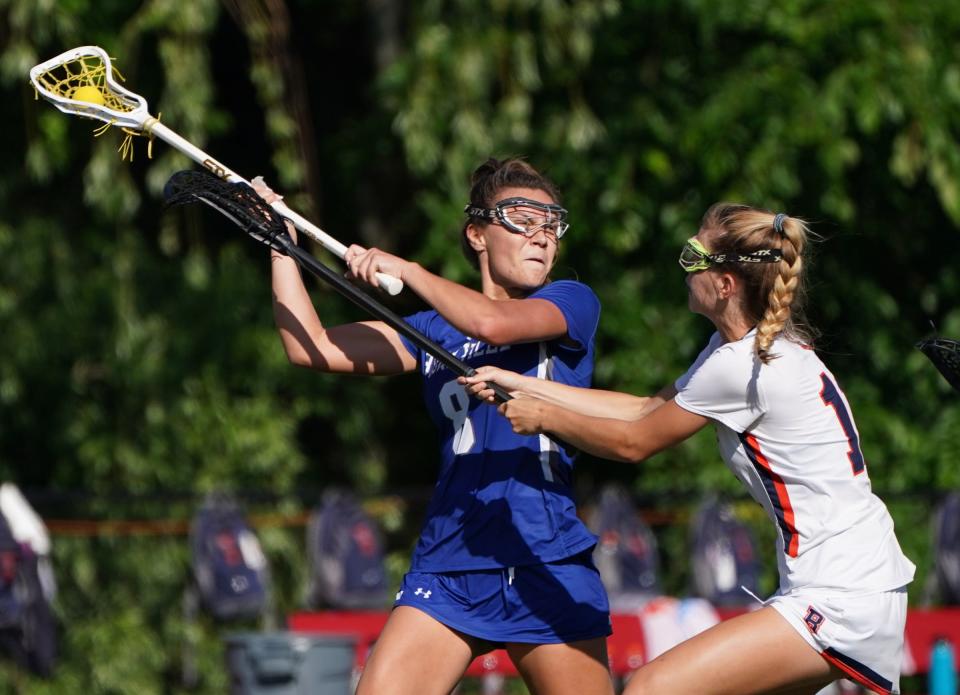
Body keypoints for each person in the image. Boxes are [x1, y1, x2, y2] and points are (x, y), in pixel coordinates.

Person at [463, 203, 916, 695]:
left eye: (692, 258)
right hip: (857, 583)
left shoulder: (742, 365)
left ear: (724, 285)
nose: (683, 271)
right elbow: (641, 409)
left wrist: (543, 419)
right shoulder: (742, 351)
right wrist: (522, 384)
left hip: (840, 593)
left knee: (650, 688)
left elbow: (635, 443)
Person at [255, 158, 614, 695]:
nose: (541, 237)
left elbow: (491, 323)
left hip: (545, 556)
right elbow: (311, 346)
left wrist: (410, 272)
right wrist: (280, 245)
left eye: (551, 223)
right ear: (477, 234)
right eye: (521, 218)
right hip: (450, 560)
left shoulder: (569, 302)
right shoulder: (431, 330)